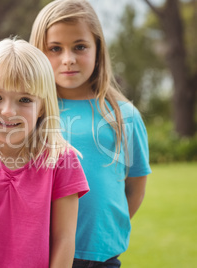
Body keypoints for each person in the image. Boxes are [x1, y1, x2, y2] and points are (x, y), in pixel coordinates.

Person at [29, 0, 152, 267]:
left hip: (101, 256)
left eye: (80, 47)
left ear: (98, 49)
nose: (68, 59)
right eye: (55, 49)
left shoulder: (124, 116)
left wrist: (102, 234)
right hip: (41, 251)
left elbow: (135, 188)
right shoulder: (30, 113)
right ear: (38, 52)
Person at [0, 37, 89, 268]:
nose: (8, 110)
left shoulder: (61, 161)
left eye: (24, 99)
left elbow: (64, 239)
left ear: (42, 106)